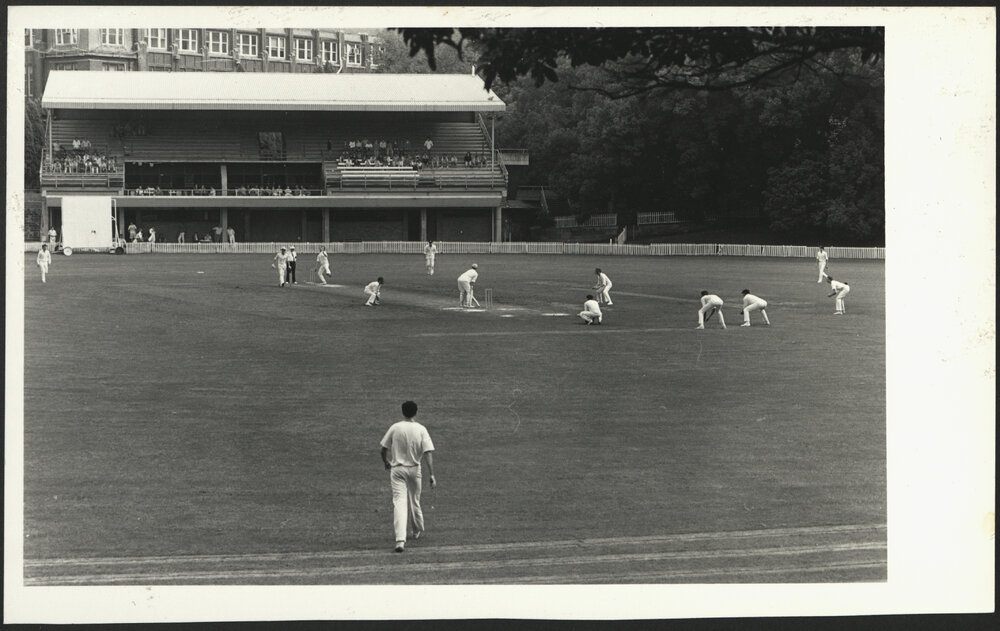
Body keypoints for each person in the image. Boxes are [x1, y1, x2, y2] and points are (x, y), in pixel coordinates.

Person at [380, 400, 436, 553]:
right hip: (414, 469)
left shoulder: (395, 427)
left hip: (397, 469)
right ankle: (417, 529)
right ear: (416, 412)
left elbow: (383, 449)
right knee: (414, 500)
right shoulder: (421, 429)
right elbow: (427, 453)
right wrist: (431, 474)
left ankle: (400, 540)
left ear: (403, 412)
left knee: (399, 502)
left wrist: (386, 462)